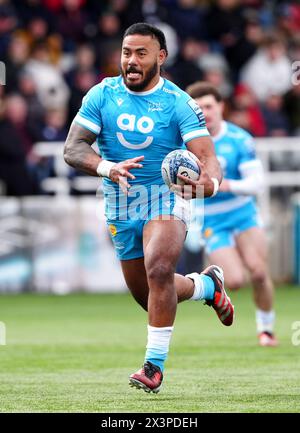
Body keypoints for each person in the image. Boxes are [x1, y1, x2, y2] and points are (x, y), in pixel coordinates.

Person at [64, 23, 234, 394]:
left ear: (160, 57)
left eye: (141, 53)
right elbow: (73, 149)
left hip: (165, 198)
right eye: (126, 53)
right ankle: (207, 285)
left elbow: (208, 158)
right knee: (148, 295)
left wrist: (210, 184)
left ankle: (153, 368)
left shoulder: (179, 103)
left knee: (159, 269)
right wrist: (107, 167)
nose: (131, 61)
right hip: (120, 201)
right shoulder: (102, 94)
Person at [185, 81, 277, 347]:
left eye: (210, 106)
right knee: (234, 281)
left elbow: (257, 184)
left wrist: (225, 185)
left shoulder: (239, 139)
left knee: (259, 272)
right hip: (212, 219)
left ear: (221, 107)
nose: (206, 112)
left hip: (242, 213)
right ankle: (205, 289)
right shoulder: (187, 145)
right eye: (199, 108)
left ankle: (266, 329)